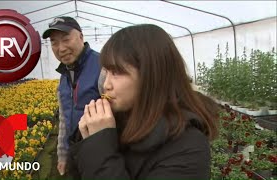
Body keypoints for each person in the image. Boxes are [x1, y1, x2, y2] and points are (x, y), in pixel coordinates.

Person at [66, 24, 220, 179]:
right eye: (106, 71)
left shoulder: (189, 148)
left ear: (152, 76)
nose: (106, 84)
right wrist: (85, 139)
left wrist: (99, 145)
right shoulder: (116, 119)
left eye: (117, 72)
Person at [42, 16, 101, 176]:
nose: (61, 48)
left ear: (81, 37)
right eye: (54, 42)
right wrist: (62, 155)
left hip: (101, 156)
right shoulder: (64, 77)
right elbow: (63, 120)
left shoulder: (103, 66)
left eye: (66, 39)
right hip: (76, 156)